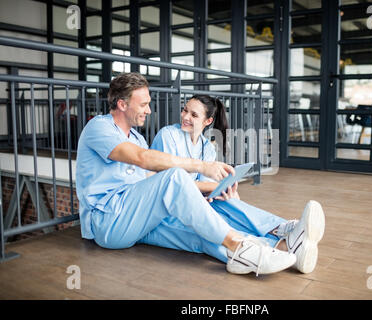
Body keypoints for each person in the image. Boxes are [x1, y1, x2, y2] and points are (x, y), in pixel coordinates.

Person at [76, 72, 299, 277]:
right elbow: (141, 158)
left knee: (197, 231)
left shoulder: (137, 138)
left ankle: (270, 248)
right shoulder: (99, 127)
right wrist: (201, 167)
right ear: (122, 104)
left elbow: (147, 179)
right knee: (175, 176)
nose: (149, 110)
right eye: (143, 105)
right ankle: (237, 244)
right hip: (107, 221)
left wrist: (212, 189)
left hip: (137, 220)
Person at [150, 94, 326, 274]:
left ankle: (284, 230)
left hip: (190, 202)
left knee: (226, 201)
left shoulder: (207, 147)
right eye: (185, 110)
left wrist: (220, 193)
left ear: (208, 121)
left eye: (194, 115)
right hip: (166, 208)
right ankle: (281, 246)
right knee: (212, 225)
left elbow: (202, 187)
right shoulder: (168, 135)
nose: (185, 117)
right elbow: (170, 184)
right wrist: (215, 187)